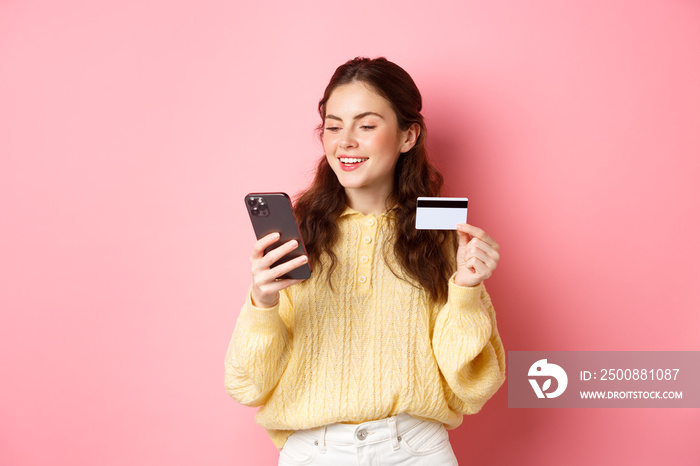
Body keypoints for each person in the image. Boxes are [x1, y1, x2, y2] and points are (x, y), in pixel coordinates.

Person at [225, 57, 506, 466]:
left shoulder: (442, 231)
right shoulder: (296, 233)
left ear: (408, 136)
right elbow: (247, 385)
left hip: (415, 451)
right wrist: (262, 304)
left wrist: (465, 291)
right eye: (334, 127)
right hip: (313, 453)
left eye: (367, 125)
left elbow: (474, 383)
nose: (345, 142)